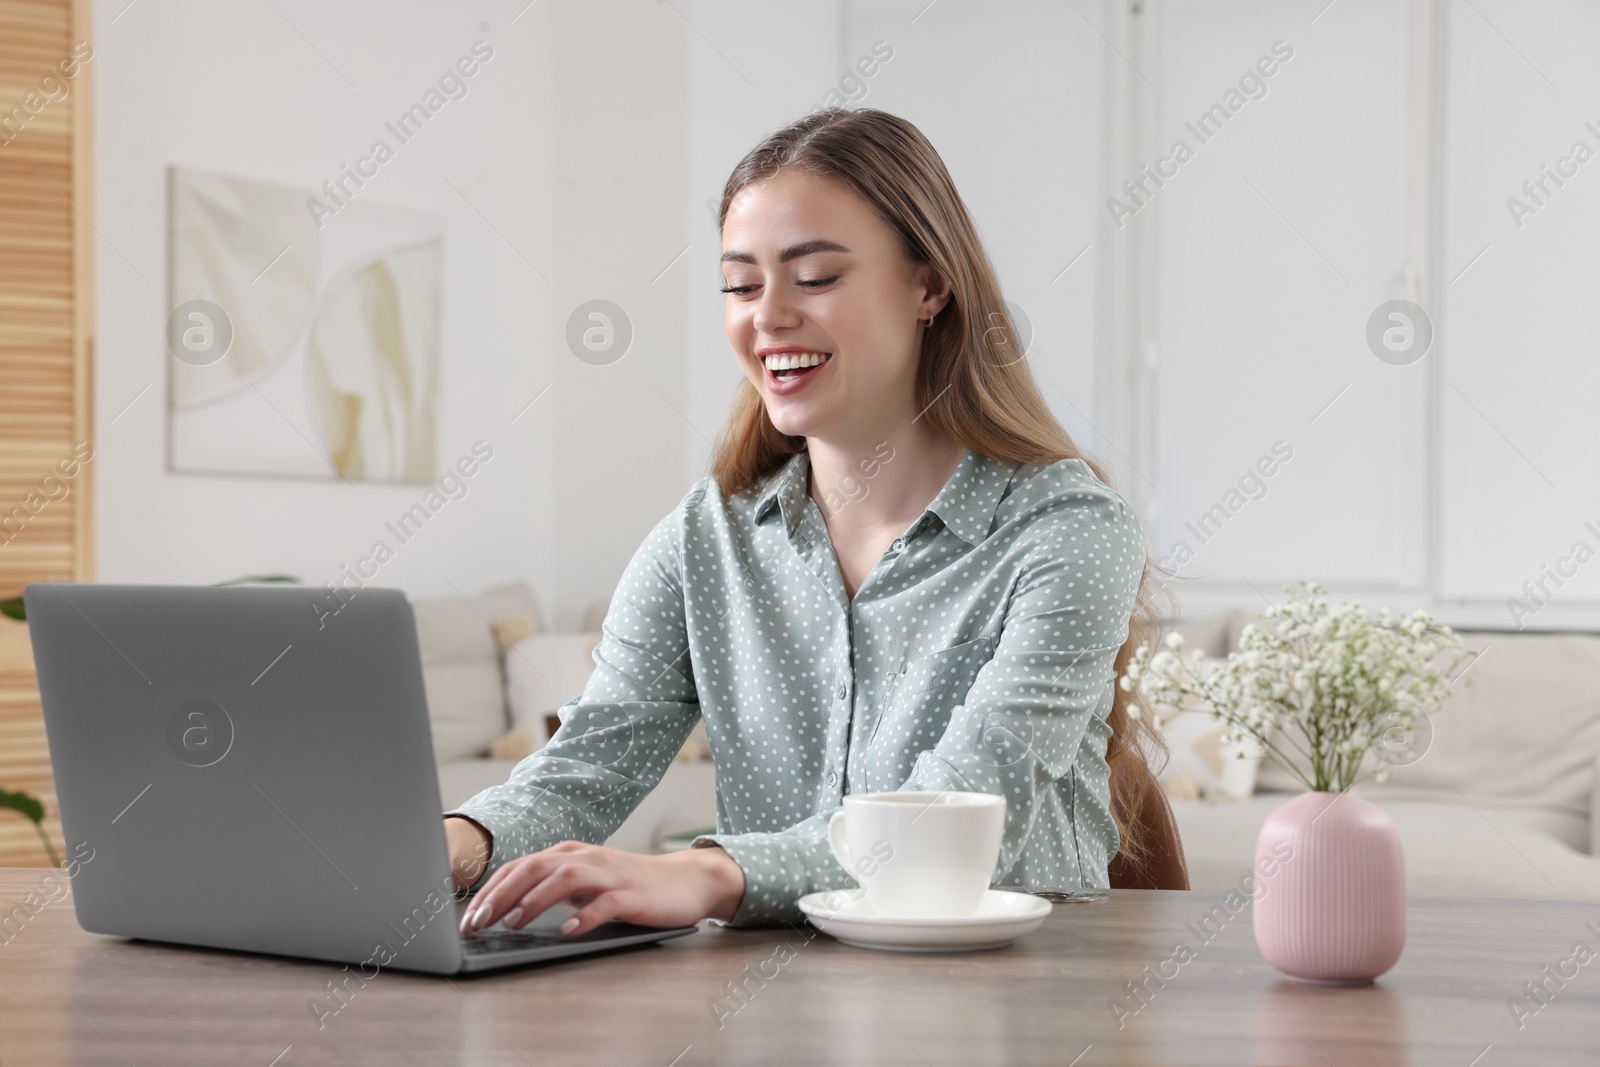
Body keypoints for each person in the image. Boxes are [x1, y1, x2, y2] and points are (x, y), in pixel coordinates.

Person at [446, 107, 1163, 938]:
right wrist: (450, 845)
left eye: (815, 277)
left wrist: (709, 871)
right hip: (780, 997)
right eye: (741, 285)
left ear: (929, 285)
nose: (769, 315)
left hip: (1016, 994)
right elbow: (585, 767)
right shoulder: (701, 540)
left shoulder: (1066, 529)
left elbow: (960, 817)